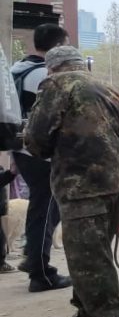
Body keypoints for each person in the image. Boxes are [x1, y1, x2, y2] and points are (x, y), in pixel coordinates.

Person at [24, 46, 119, 317]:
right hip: (112, 180)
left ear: (52, 67)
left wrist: (42, 150)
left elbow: (37, 136)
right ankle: (87, 312)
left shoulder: (58, 85)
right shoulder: (106, 88)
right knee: (92, 253)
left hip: (80, 183)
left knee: (87, 257)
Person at [10, 23, 71, 292]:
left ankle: (33, 254)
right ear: (59, 46)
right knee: (46, 209)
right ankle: (40, 272)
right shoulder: (44, 75)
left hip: (20, 149)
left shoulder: (16, 70)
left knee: (44, 207)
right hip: (41, 154)